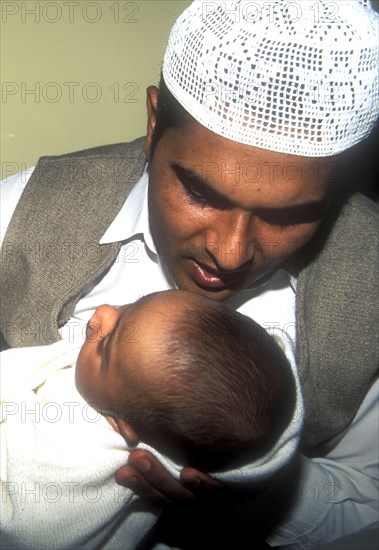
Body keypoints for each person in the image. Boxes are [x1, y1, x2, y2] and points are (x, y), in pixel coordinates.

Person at [0, 0, 378, 547]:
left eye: (290, 213)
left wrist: (255, 493)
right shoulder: (28, 207)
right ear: (154, 125)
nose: (230, 253)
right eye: (201, 192)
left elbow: (367, 509)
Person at [0, 290, 299, 549]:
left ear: (121, 424)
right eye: (133, 305)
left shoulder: (77, 441)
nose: (101, 314)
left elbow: (32, 533)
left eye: (104, 349)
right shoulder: (131, 380)